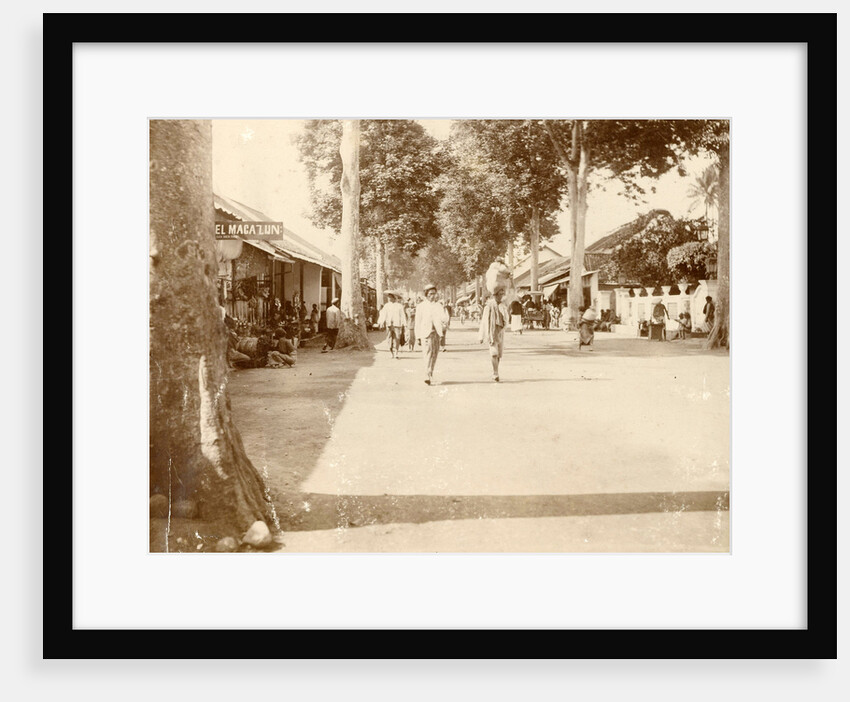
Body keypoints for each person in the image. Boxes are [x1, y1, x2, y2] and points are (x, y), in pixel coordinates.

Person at [415, 283, 448, 385]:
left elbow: (444, 319)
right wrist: (418, 336)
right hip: (425, 333)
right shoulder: (421, 306)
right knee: (427, 353)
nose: (433, 296)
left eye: (434, 293)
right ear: (426, 294)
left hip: (436, 333)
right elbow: (418, 322)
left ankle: (430, 372)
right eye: (430, 294)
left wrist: (445, 312)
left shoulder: (439, 306)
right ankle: (427, 374)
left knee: (434, 354)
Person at [478, 287, 508, 381]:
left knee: (499, 354)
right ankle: (495, 373)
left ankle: (496, 370)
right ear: (494, 295)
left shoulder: (503, 306)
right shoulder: (488, 307)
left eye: (502, 295)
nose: (501, 297)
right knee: (494, 353)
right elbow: (484, 321)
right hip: (492, 331)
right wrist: (481, 336)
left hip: (500, 332)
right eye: (499, 295)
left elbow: (506, 319)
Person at [377, 292, 407, 359]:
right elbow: (383, 314)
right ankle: (391, 352)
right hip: (389, 325)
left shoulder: (399, 306)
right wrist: (381, 322)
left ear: (394, 298)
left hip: (397, 324)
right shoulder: (386, 306)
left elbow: (402, 315)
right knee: (389, 339)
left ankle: (396, 352)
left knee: (397, 339)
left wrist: (404, 324)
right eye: (389, 297)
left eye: (391, 297)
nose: (389, 299)